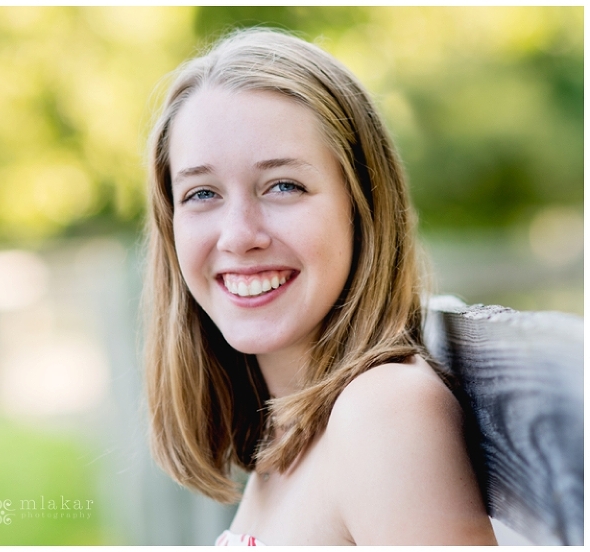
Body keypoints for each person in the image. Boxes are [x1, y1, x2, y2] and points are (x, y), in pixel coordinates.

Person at [142, 28, 497, 545]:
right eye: (201, 193)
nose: (239, 236)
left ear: (362, 207)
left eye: (284, 185)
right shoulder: (289, 430)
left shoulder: (382, 412)